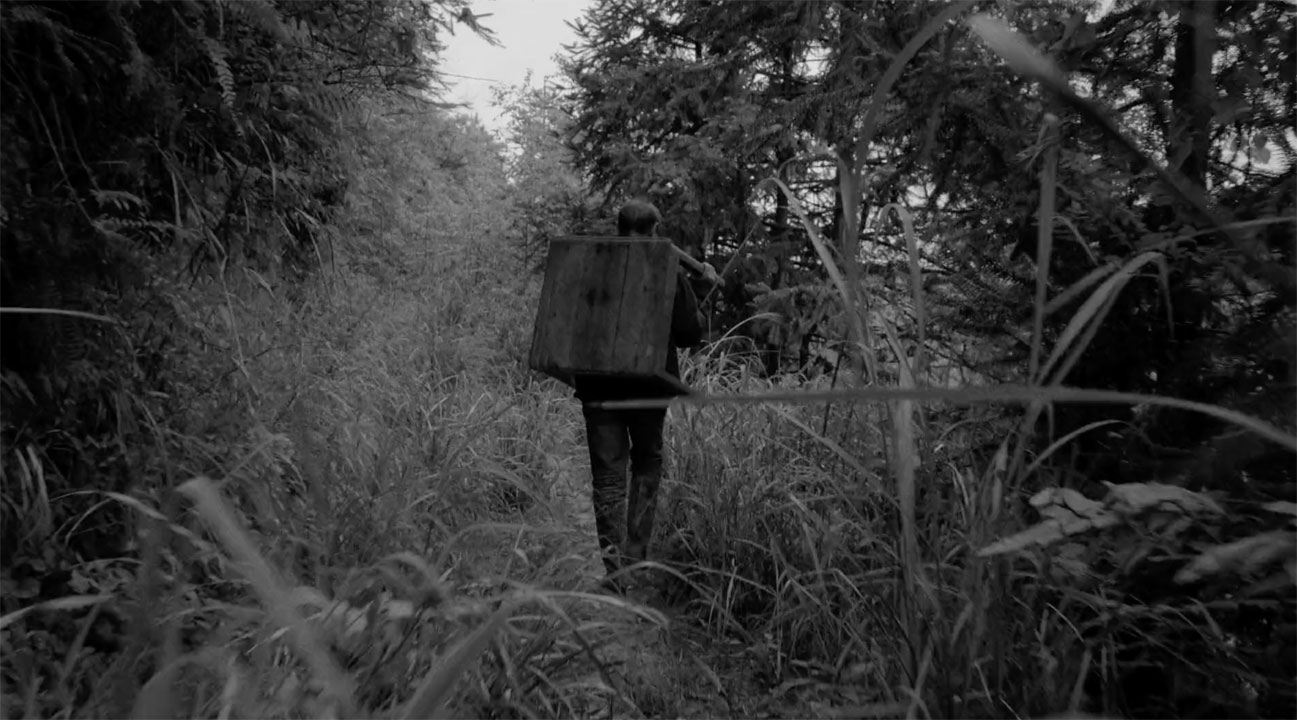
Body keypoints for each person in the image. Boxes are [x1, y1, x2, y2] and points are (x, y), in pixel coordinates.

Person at [574, 199, 713, 593]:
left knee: (608, 475)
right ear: (654, 231)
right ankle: (634, 559)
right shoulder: (667, 268)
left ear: (620, 228)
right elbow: (690, 335)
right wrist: (699, 290)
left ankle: (615, 571)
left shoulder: (592, 264)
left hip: (599, 386)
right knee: (647, 461)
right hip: (651, 387)